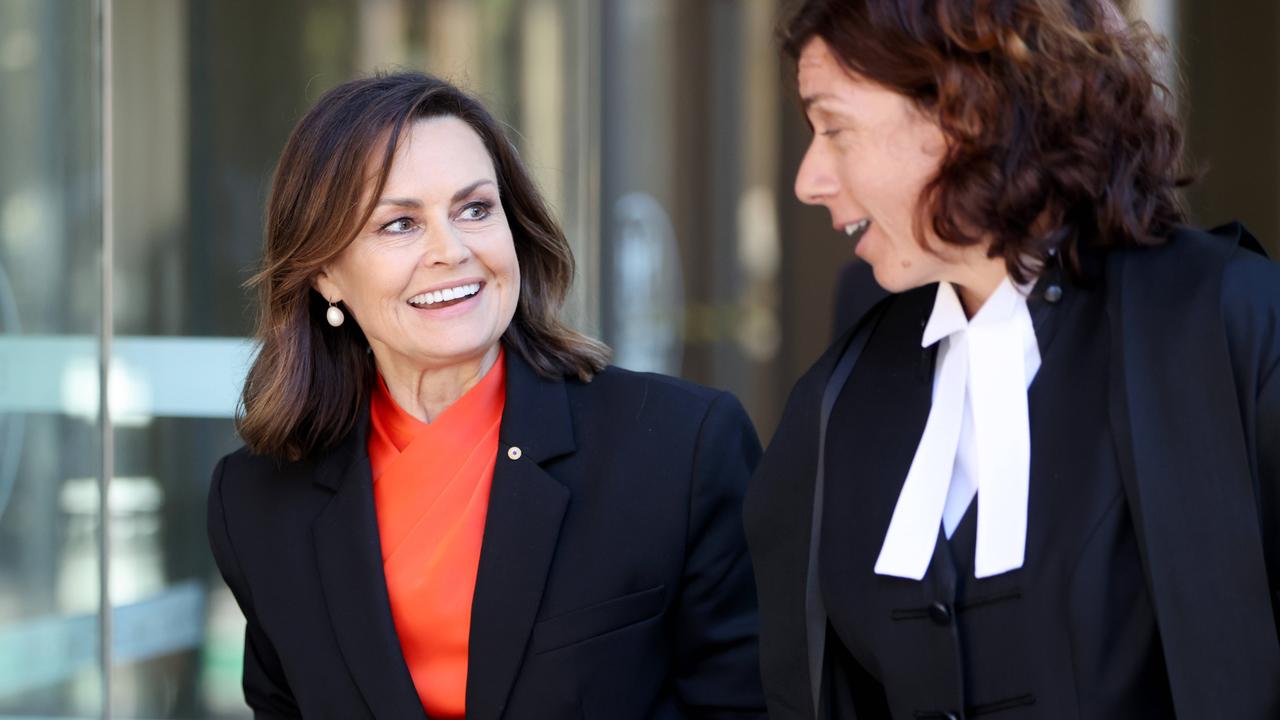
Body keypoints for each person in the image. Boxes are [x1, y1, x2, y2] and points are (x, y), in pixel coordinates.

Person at [744, 1, 1280, 718]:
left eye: (835, 128)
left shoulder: (1226, 323)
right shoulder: (839, 397)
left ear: (968, 112)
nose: (810, 180)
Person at [207, 72, 767, 719]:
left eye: (475, 209)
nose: (452, 251)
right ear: (326, 273)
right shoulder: (256, 506)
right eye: (400, 224)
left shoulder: (680, 447)